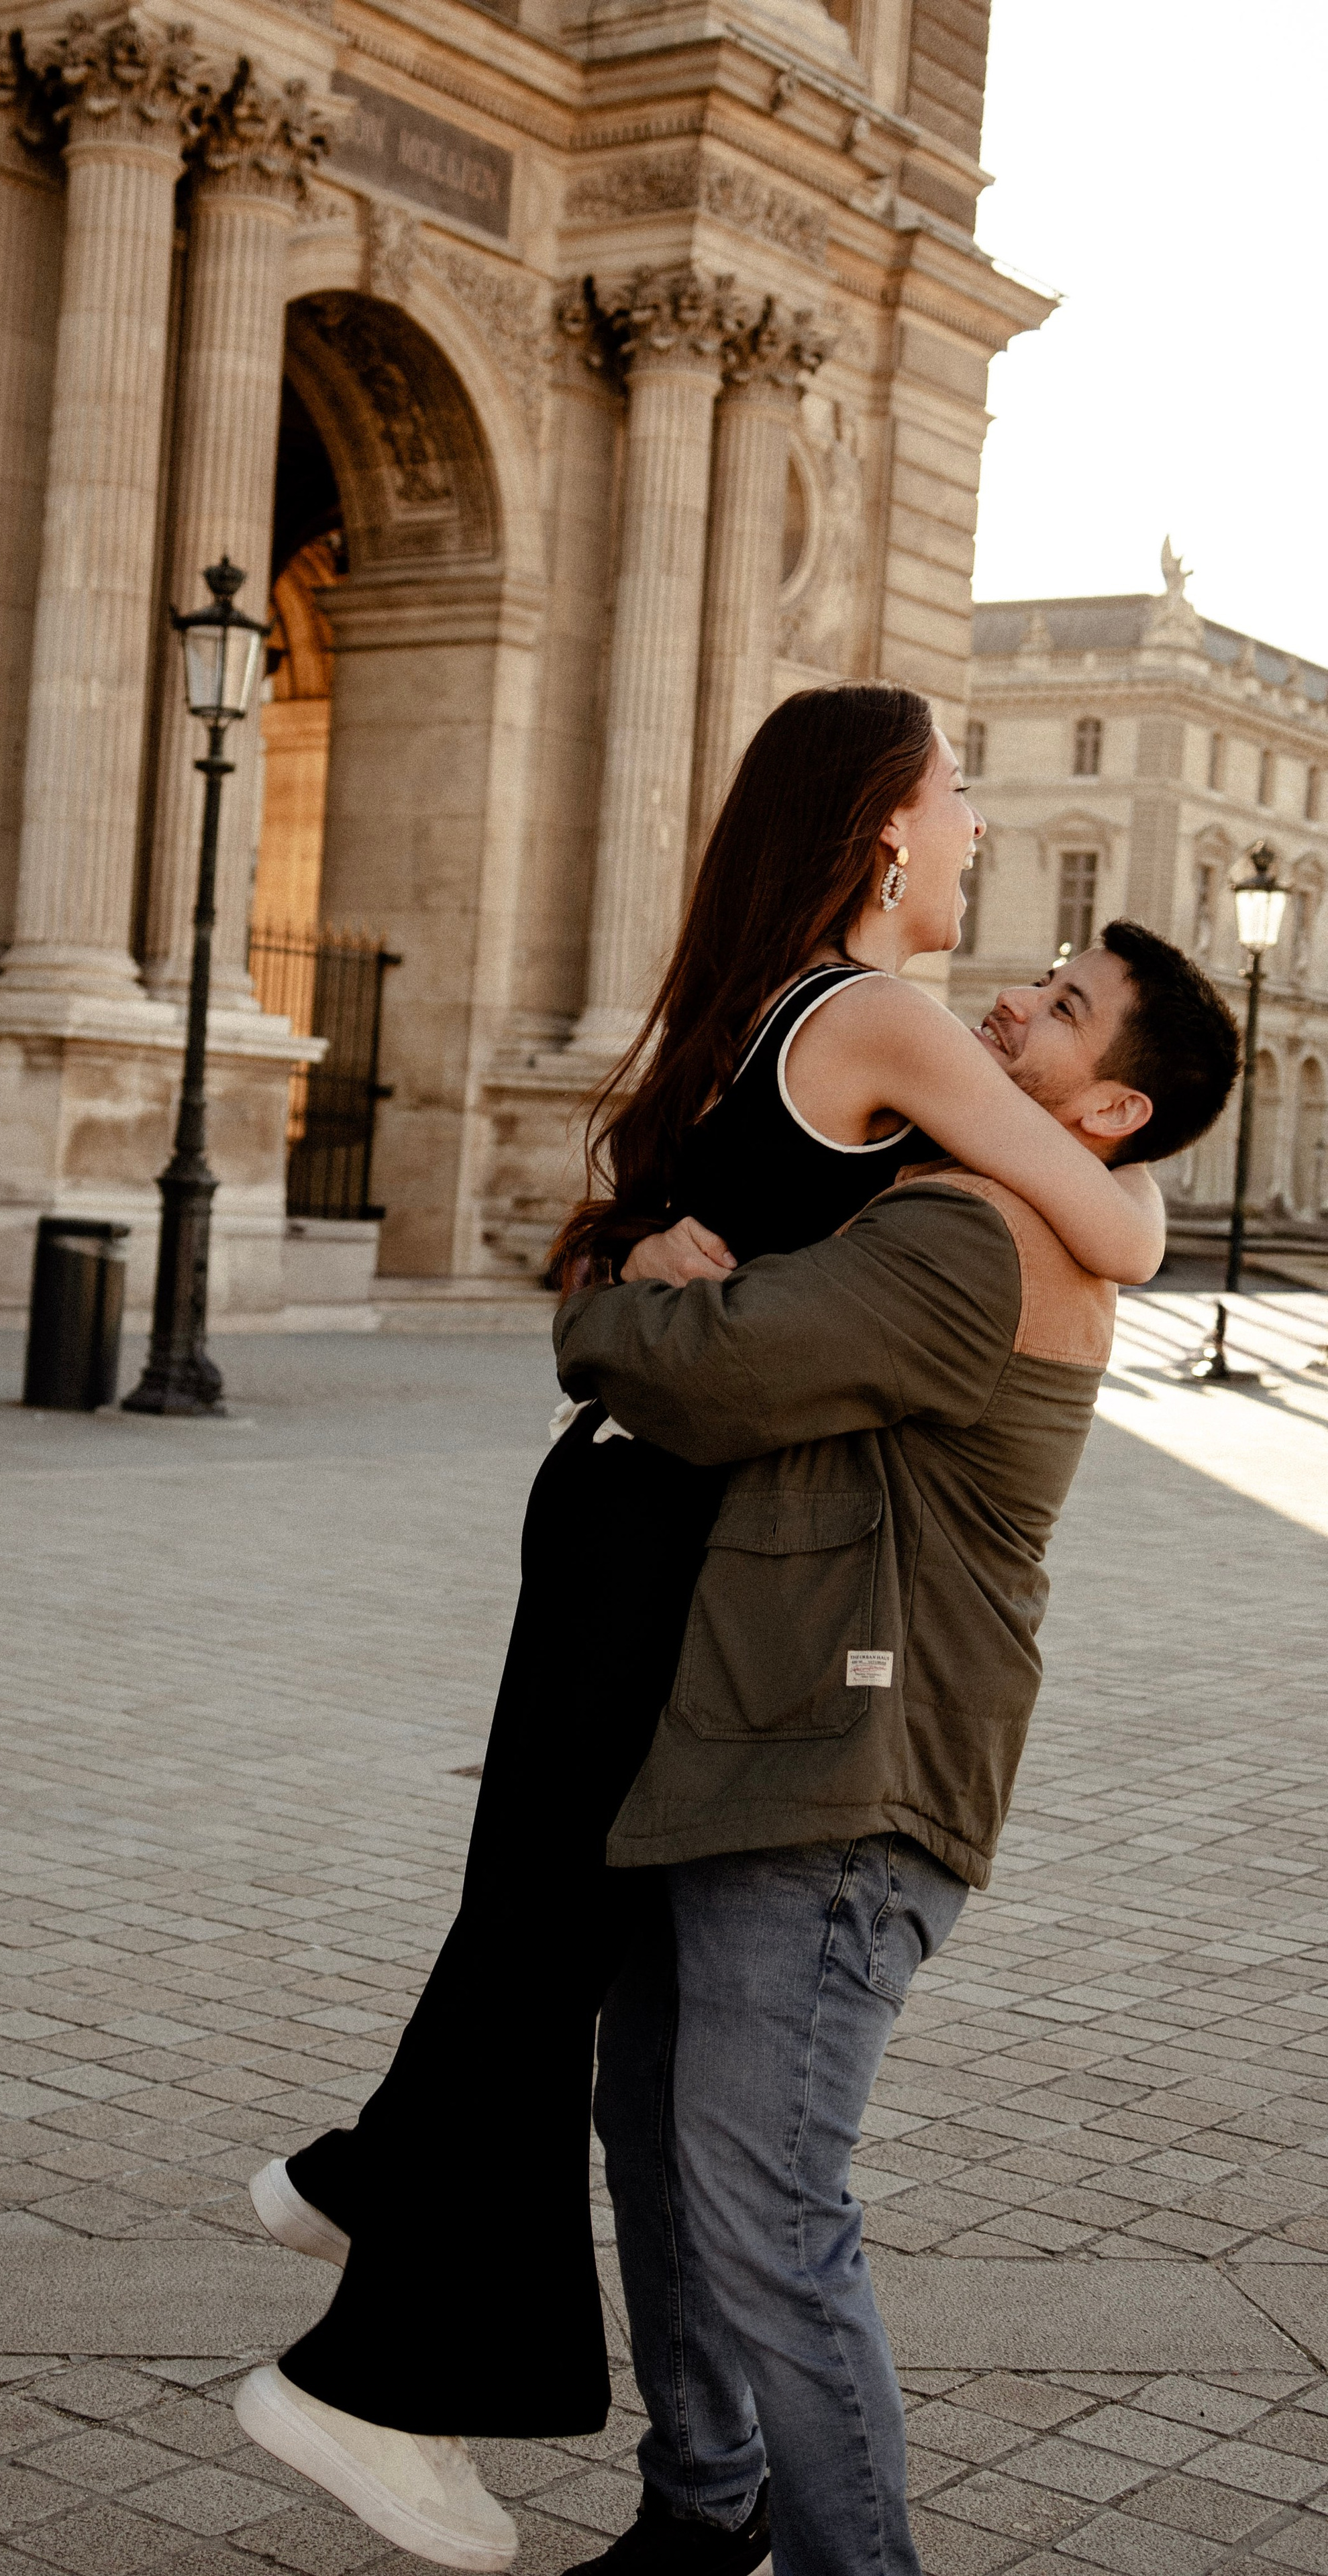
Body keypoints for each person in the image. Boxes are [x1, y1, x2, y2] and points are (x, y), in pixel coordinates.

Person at [231, 684, 1170, 2571]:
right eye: (961, 792)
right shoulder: (883, 1021)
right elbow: (1123, 1224)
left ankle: (376, 2195)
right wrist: (1117, 1199)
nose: (980, 828)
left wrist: (625, 1259)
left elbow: (663, 1252)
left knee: (546, 1941)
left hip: (628, 1522)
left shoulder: (765, 1014)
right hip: (659, 1533)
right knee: (559, 1964)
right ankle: (378, 2340)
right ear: (887, 830)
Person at [555, 921, 1240, 2576]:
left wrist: (611, 1289)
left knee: (769, 2218)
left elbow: (701, 1374)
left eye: (1063, 1012)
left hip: (844, 1795)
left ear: (1105, 1121)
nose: (1011, 1000)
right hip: (763, 1753)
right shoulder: (983, 1203)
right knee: (658, 2149)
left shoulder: (971, 1237)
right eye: (1044, 974)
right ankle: (701, 2506)